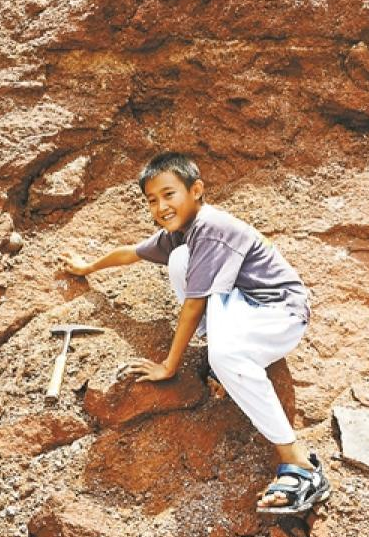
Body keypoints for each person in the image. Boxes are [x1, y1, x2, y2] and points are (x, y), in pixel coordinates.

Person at [60, 151, 330, 514]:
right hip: (246, 307)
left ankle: (302, 465)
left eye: (169, 194)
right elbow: (132, 253)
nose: (160, 206)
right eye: (152, 200)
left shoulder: (211, 227)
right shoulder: (180, 233)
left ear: (196, 190)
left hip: (280, 313)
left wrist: (169, 366)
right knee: (179, 260)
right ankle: (223, 349)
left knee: (224, 353)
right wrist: (87, 267)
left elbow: (193, 303)